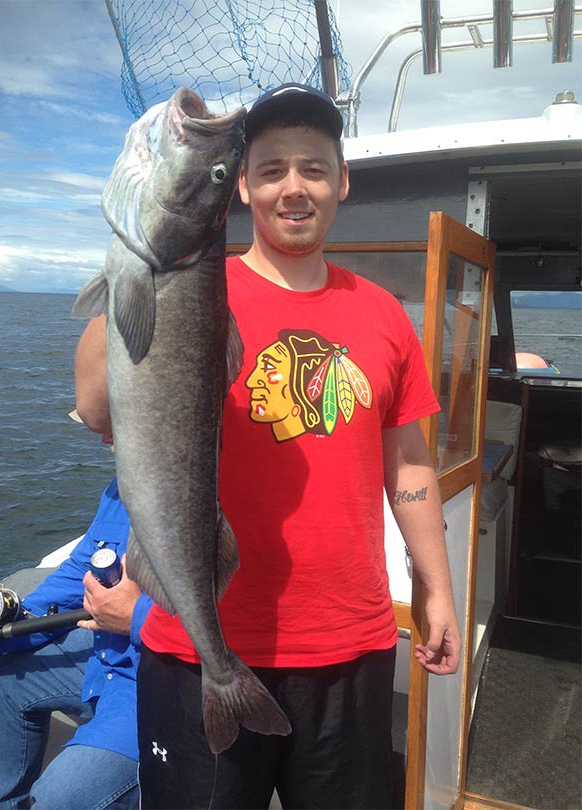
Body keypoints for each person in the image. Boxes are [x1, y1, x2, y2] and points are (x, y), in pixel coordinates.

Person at [74, 82, 462, 810]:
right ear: (243, 190)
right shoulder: (195, 282)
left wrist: (438, 587)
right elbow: (98, 410)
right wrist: (135, 262)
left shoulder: (383, 315)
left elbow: (408, 461)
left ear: (341, 182)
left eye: (313, 168)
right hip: (198, 650)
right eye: (272, 168)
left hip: (351, 646)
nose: (294, 186)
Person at [0, 477, 152, 810]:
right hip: (112, 659)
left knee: (61, 796)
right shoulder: (122, 487)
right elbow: (79, 572)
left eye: (111, 427)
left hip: (169, 688)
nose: (102, 439)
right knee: (12, 673)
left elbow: (238, 622)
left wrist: (138, 618)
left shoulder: (223, 495)